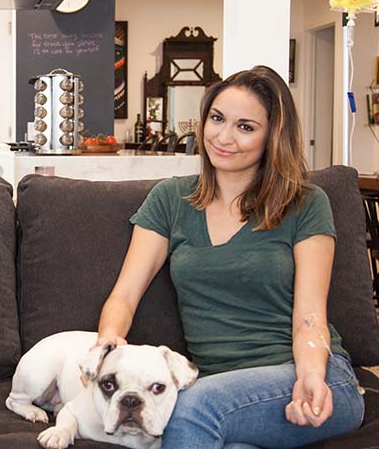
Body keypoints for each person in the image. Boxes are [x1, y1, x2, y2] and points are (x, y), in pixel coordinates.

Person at [97, 65, 364, 448]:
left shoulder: (305, 203)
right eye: (217, 119)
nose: (223, 137)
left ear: (272, 137)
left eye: (245, 127)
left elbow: (310, 317)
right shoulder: (171, 200)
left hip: (314, 378)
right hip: (221, 387)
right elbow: (124, 296)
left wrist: (310, 375)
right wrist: (110, 343)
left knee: (190, 411)